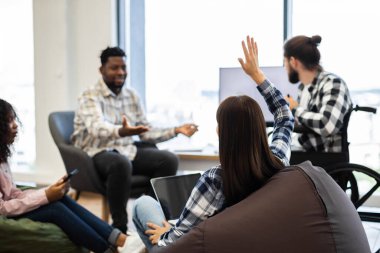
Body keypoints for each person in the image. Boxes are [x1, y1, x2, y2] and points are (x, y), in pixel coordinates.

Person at [132, 35, 294, 251]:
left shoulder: (215, 180)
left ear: (222, 132)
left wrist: (166, 234)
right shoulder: (278, 163)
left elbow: (177, 240)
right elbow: (285, 116)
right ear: (259, 128)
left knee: (143, 204)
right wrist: (257, 75)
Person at [71, 46, 198, 233]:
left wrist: (176, 130)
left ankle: (148, 216)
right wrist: (122, 131)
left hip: (126, 149)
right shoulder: (89, 96)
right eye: (114, 68)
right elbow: (96, 128)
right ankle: (119, 226)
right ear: (102, 70)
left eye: (123, 67)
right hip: (96, 152)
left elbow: (146, 132)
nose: (121, 72)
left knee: (169, 159)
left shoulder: (132, 96)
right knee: (120, 164)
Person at [0, 98, 126, 253]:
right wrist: (45, 195)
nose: (15, 125)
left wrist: (48, 192)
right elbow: (3, 208)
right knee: (56, 209)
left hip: (11, 208)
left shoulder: (2, 157)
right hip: (6, 217)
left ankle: (112, 235)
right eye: (8, 121)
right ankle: (105, 249)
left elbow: (12, 193)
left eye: (14, 119)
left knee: (60, 198)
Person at [284, 35, 352, 152]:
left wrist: (295, 109)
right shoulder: (303, 88)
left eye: (285, 62)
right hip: (303, 152)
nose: (285, 67)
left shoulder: (333, 83)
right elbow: (306, 121)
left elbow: (327, 125)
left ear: (293, 62)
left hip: (322, 158)